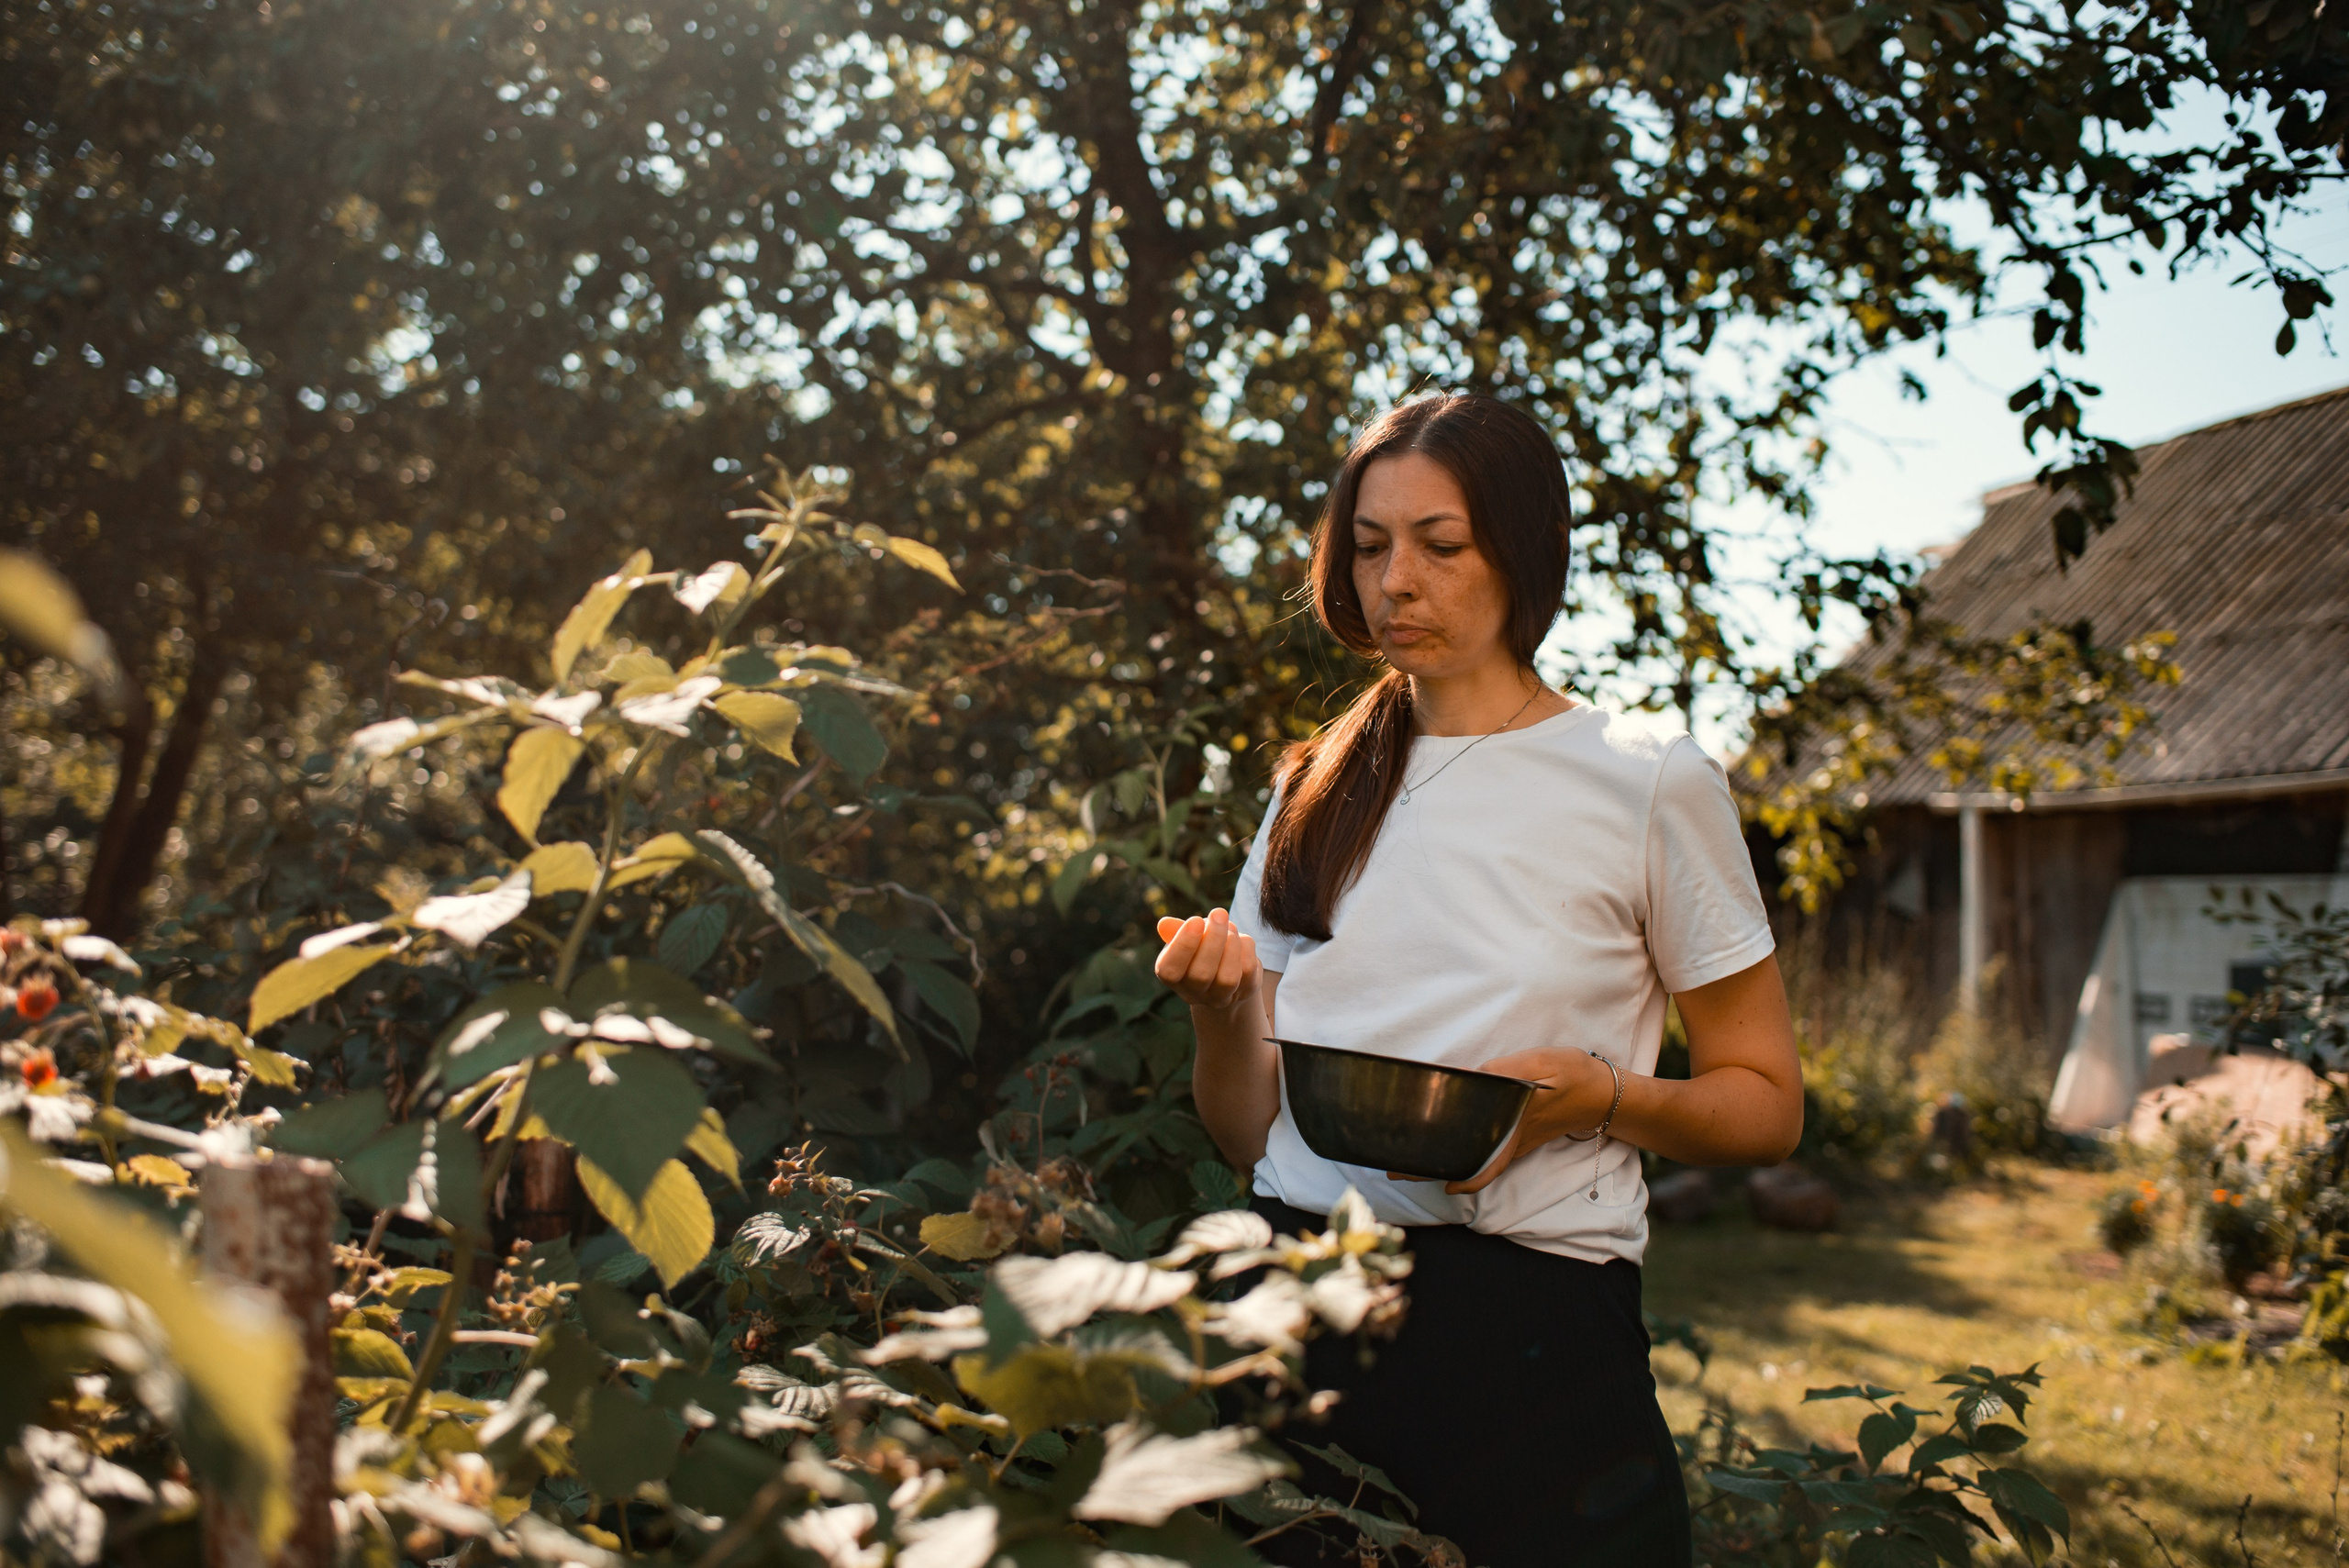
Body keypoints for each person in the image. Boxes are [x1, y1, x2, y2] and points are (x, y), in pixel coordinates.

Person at [1153, 392, 1802, 1568]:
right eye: (1366, 544)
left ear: (1520, 551)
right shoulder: (1315, 786)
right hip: (1298, 1296)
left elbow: (1765, 1100)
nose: (1392, 580)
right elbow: (1249, 1128)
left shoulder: (1644, 780)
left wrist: (1597, 1098)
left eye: (1437, 544)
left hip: (1532, 1336)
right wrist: (1219, 1014)